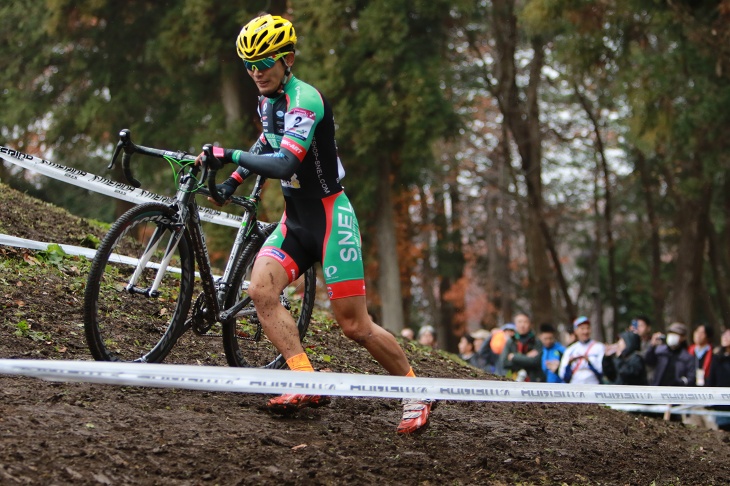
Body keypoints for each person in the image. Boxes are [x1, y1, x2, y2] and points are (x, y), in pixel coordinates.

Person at [195, 14, 433, 435]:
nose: (256, 71)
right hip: (296, 220)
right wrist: (232, 181)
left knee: (354, 326)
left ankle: (416, 389)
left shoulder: (306, 99)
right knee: (261, 290)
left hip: (330, 218)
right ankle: (303, 378)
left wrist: (229, 156)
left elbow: (287, 161)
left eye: (264, 61)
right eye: (248, 64)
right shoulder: (267, 100)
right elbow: (267, 144)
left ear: (287, 59)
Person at [644, 322, 695, 387]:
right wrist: (652, 346)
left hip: (676, 392)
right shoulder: (660, 351)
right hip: (657, 389)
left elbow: (691, 378)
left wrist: (680, 382)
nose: (672, 336)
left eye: (676, 334)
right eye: (671, 333)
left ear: (683, 337)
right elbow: (649, 361)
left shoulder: (687, 357)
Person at [558, 316, 605, 385]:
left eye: (587, 328)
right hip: (575, 388)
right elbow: (563, 375)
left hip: (594, 387)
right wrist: (569, 363)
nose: (585, 331)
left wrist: (589, 362)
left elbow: (602, 372)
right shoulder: (570, 350)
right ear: (576, 331)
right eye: (582, 328)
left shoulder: (599, 347)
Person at [499, 313, 545, 382]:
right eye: (519, 322)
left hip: (534, 380)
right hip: (515, 379)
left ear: (530, 324)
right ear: (515, 324)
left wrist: (514, 357)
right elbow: (504, 362)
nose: (522, 325)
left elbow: (535, 361)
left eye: (525, 322)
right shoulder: (511, 341)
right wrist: (526, 357)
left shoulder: (536, 341)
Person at [707, 329, 730, 431]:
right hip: (721, 403)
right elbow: (712, 379)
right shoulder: (717, 358)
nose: (725, 337)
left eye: (728, 335)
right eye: (724, 335)